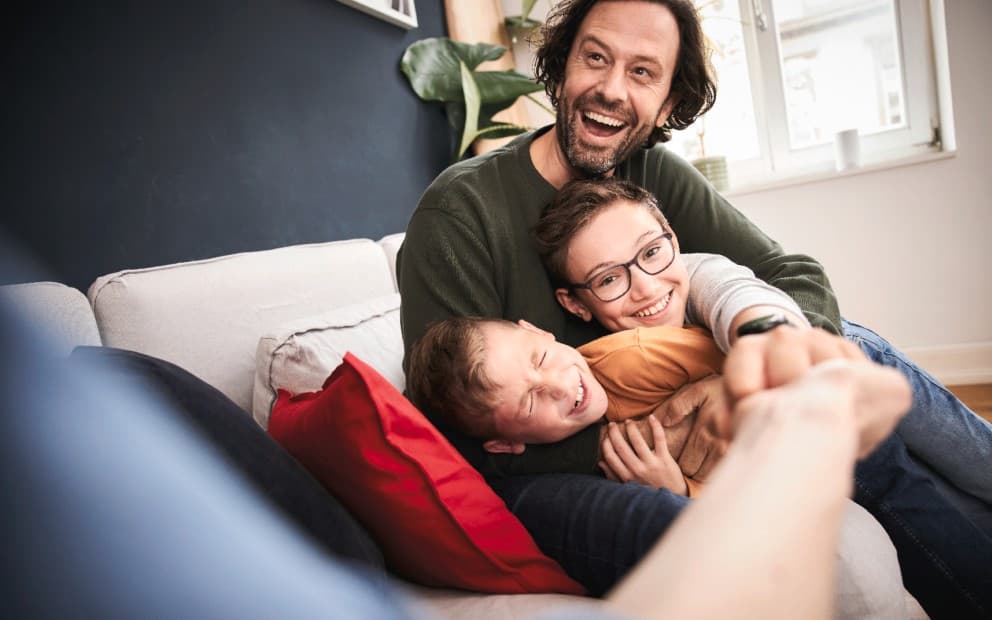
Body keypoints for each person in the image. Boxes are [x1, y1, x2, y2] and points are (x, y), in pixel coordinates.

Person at [397, 0, 991, 611]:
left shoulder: (649, 171)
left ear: (669, 102)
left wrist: (749, 377)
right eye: (595, 57)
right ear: (561, 64)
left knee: (844, 361)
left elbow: (787, 274)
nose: (610, 89)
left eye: (642, 72)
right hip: (548, 469)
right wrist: (661, 433)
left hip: (676, 397)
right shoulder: (462, 212)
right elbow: (449, 424)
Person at [0, 263, 915, 620]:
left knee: (874, 357)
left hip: (817, 382)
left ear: (544, 327)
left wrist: (762, 345)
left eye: (542, 357)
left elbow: (720, 281)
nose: (562, 382)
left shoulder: (609, 355)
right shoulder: (558, 485)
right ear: (504, 447)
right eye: (530, 400)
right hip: (795, 447)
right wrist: (793, 437)